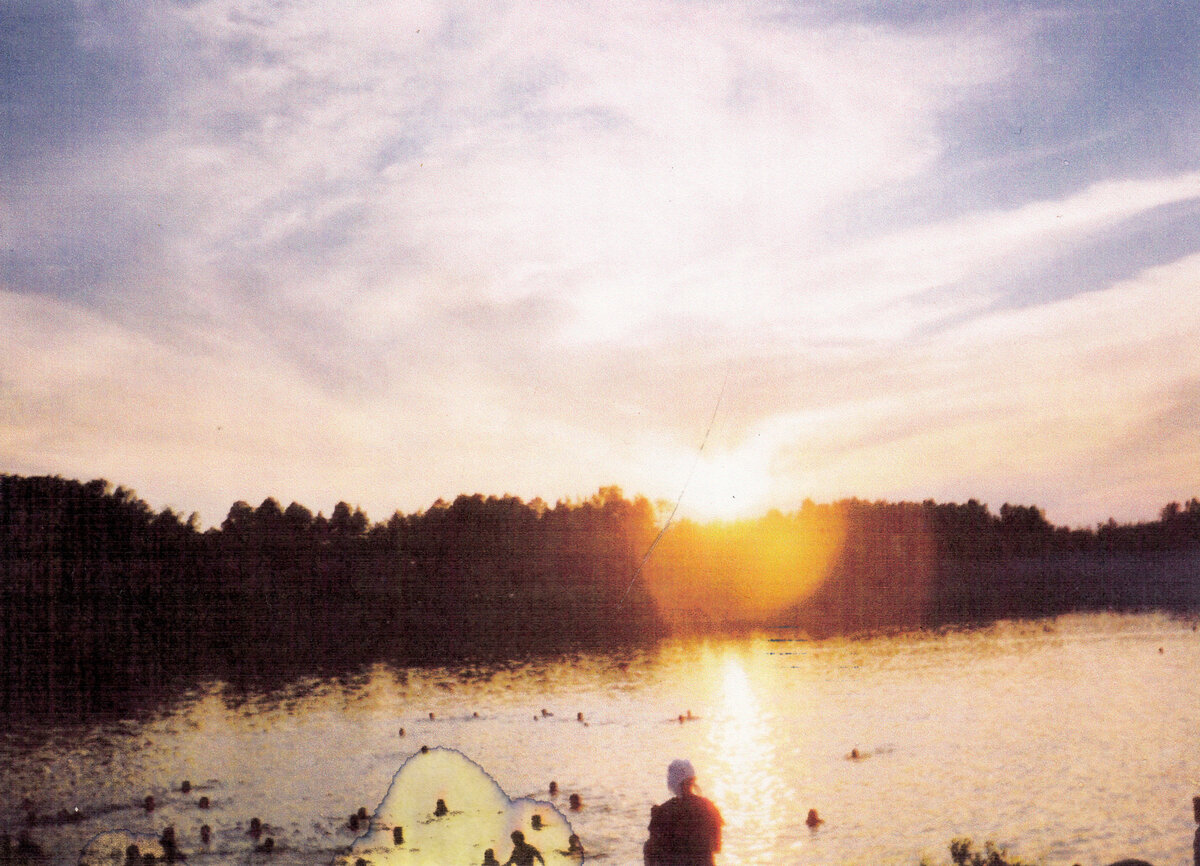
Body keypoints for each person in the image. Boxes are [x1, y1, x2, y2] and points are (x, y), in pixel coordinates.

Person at [643, 759, 723, 866]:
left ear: (673, 781)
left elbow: (652, 853)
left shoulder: (663, 812)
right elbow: (717, 847)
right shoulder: (709, 808)